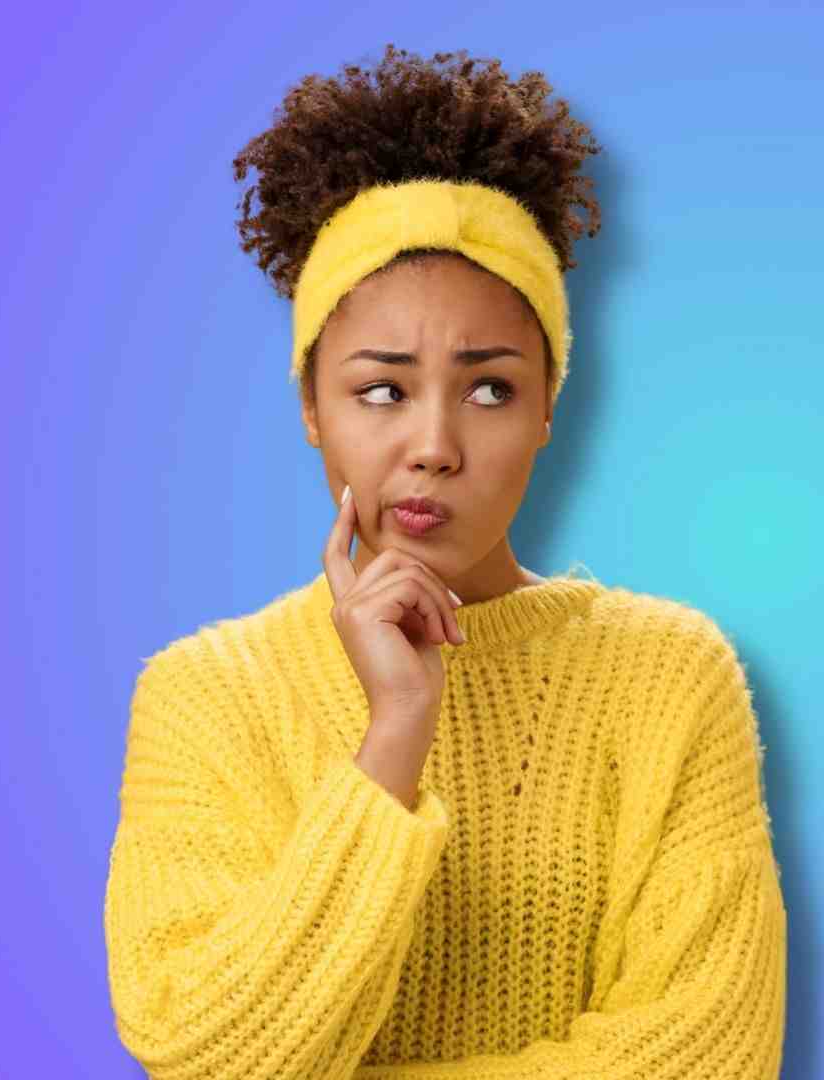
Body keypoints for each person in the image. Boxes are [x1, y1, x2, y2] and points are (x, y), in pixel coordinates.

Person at [102, 45, 788, 1079]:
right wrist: (395, 732)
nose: (433, 443)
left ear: (551, 408)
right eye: (381, 390)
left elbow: (711, 1055)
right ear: (310, 409)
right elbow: (205, 1053)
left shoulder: (674, 677)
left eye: (490, 389)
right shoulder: (207, 697)